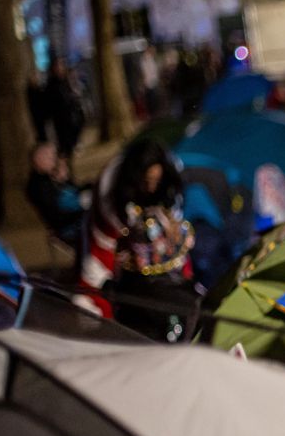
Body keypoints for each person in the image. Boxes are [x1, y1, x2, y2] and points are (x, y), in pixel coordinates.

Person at [77, 139, 197, 340]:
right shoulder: (111, 201)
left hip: (163, 279)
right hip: (131, 279)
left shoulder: (168, 193)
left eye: (156, 180)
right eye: (146, 180)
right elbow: (100, 257)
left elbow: (175, 245)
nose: (151, 187)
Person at [25, 142, 88, 247]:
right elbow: (57, 212)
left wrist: (65, 180)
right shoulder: (38, 185)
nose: (54, 160)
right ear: (39, 160)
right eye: (50, 157)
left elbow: (76, 190)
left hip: (78, 220)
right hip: (69, 227)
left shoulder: (50, 178)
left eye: (53, 156)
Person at [46, 59, 86, 160]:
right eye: (57, 66)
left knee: (71, 141)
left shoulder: (66, 81)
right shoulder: (52, 84)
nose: (60, 69)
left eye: (61, 66)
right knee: (64, 146)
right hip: (61, 119)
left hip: (71, 116)